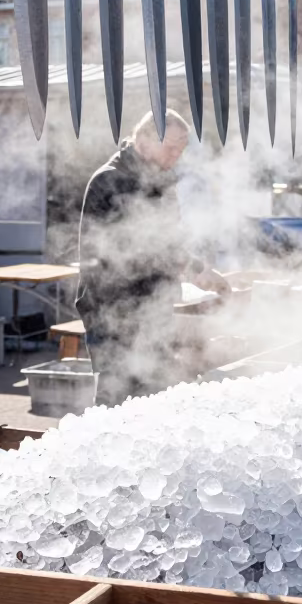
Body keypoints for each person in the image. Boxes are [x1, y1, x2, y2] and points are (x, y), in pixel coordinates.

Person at [76, 109, 231, 405]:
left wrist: (200, 269)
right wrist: (188, 268)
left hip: (152, 309)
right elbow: (126, 252)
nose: (176, 155)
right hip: (115, 314)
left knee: (152, 399)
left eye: (181, 149)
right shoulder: (110, 181)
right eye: (171, 147)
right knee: (117, 400)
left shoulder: (159, 179)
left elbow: (167, 242)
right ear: (144, 140)